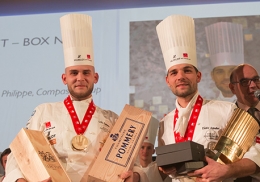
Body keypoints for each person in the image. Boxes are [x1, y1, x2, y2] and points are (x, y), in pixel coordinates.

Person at [3, 13, 141, 182]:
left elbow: (131, 163)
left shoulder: (113, 119)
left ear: (95, 77)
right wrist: (20, 180)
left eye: (86, 73)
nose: (80, 78)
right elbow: (17, 156)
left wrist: (133, 176)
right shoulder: (43, 111)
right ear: (64, 78)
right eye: (74, 73)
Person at [155, 14, 260, 182]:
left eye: (187, 70)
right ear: (168, 81)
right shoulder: (164, 123)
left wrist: (227, 170)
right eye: (174, 72)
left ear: (199, 76)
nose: (180, 76)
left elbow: (257, 152)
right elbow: (161, 171)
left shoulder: (226, 110)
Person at [229, 63, 260, 182]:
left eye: (256, 80)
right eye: (244, 82)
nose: (252, 86)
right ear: (232, 88)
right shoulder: (227, 116)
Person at [205, 22, 244, 102]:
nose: (226, 77)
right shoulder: (208, 109)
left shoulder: (255, 106)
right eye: (220, 72)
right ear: (212, 76)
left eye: (232, 71)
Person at [135, 117, 171, 182]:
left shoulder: (159, 168)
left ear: (153, 151)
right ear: (137, 150)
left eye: (149, 148)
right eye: (142, 147)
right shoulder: (133, 169)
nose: (145, 151)